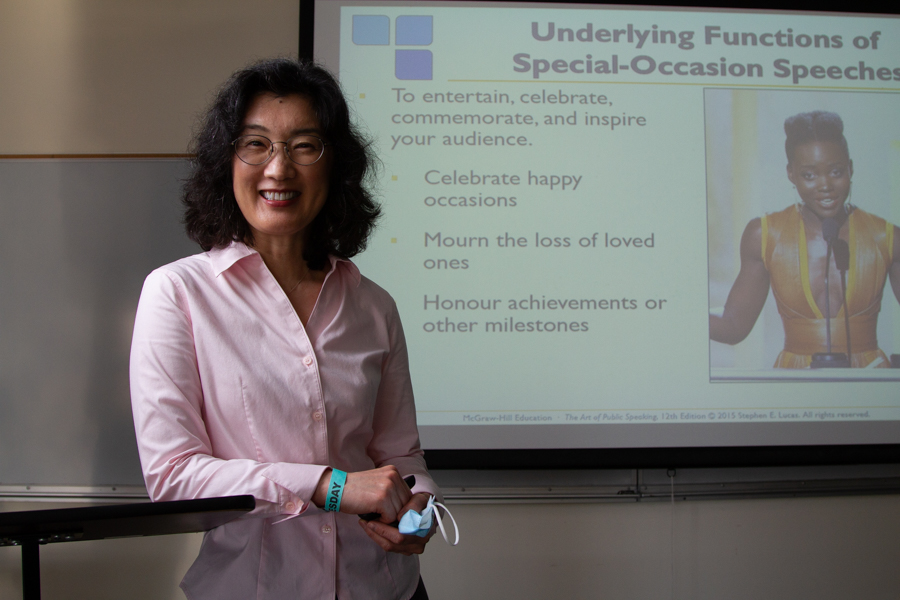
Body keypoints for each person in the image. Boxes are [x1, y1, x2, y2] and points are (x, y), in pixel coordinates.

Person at [130, 58, 439, 600]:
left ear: (334, 165)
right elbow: (174, 477)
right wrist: (331, 485)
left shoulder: (374, 306)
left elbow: (401, 456)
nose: (278, 170)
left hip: (385, 588)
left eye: (304, 146)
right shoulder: (177, 293)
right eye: (255, 144)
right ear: (226, 162)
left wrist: (418, 506)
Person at [710, 110, 900, 368]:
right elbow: (733, 326)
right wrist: (672, 308)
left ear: (851, 168)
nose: (825, 185)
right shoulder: (764, 235)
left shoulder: (887, 237)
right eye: (809, 175)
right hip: (796, 386)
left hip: (870, 384)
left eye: (836, 172)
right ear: (791, 174)